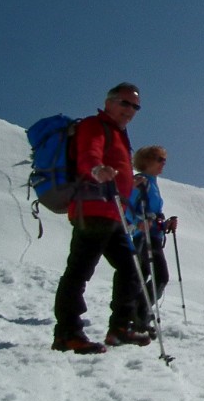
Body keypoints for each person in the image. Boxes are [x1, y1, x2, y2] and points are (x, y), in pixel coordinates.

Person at [51, 83, 150, 354]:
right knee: (80, 271)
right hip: (93, 210)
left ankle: (119, 328)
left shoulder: (119, 134)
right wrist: (96, 169)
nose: (130, 110)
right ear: (110, 102)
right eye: (125, 103)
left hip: (112, 213)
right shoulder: (95, 125)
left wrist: (133, 179)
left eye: (135, 106)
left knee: (131, 268)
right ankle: (67, 333)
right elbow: (88, 153)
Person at [126, 145, 178, 337]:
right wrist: (138, 223)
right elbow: (127, 206)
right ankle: (139, 311)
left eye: (163, 159)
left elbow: (151, 212)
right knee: (160, 276)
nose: (163, 163)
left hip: (153, 235)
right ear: (146, 161)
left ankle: (139, 314)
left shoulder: (152, 183)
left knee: (149, 275)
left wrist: (165, 224)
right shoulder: (141, 181)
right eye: (158, 159)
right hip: (144, 237)